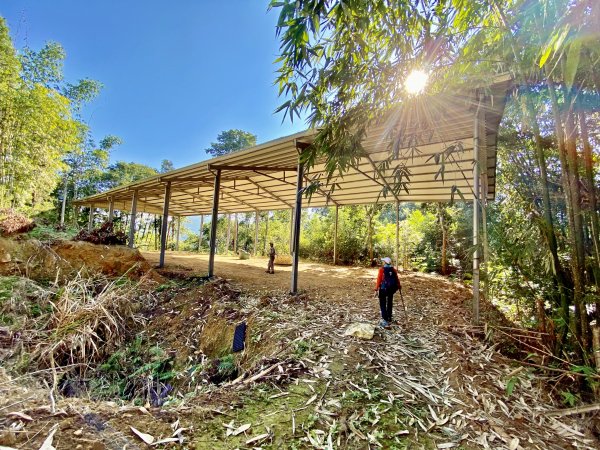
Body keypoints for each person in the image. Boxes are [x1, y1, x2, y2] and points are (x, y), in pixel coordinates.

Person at [375, 257, 401, 327]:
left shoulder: (382, 270)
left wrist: (376, 289)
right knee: (390, 302)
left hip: (383, 289)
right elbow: (397, 278)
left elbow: (379, 280)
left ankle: (385, 319)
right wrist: (399, 286)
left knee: (382, 303)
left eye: (383, 261)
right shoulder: (393, 270)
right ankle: (389, 317)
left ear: (385, 262)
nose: (382, 262)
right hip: (391, 289)